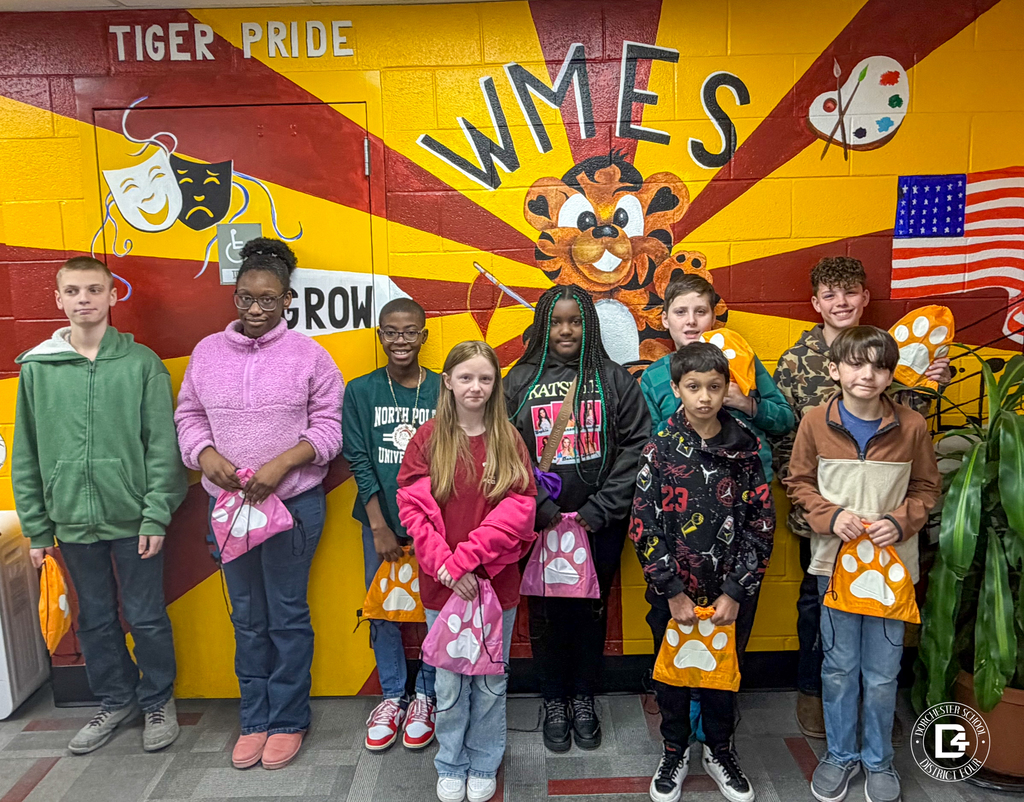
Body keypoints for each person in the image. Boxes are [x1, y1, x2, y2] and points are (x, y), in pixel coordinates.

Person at [174, 238, 344, 771]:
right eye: (245, 297)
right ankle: (255, 717)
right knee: (246, 616)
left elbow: (330, 428)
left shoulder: (310, 356)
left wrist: (284, 463)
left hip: (292, 506)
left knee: (287, 616)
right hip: (228, 511)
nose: (254, 309)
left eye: (267, 300)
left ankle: (289, 718)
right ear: (235, 295)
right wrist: (203, 454)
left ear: (287, 300)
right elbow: (189, 414)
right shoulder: (206, 352)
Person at [13, 256, 187, 755]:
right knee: (92, 617)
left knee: (146, 614)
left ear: (114, 296)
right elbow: (25, 452)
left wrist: (156, 513)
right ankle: (116, 699)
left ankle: (157, 700)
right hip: (69, 519)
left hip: (134, 519)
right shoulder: (38, 368)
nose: (83, 299)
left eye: (94, 290)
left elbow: (162, 447)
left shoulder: (141, 365)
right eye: (73, 291)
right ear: (58, 299)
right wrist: (37, 529)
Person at [771, 256, 951, 739]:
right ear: (816, 303)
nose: (841, 302)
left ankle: (875, 698)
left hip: (887, 508)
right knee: (818, 603)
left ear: (864, 297)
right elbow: (785, 435)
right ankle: (815, 693)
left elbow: (909, 427)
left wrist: (931, 382)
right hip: (823, 510)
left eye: (850, 292)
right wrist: (814, 507)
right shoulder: (795, 360)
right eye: (830, 295)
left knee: (882, 602)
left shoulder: (889, 352)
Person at [784, 326, 941, 802]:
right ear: (835, 369)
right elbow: (798, 482)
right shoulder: (814, 421)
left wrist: (902, 520)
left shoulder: (912, 425)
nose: (867, 374)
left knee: (881, 672)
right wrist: (831, 516)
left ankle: (878, 760)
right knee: (838, 667)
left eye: (878, 366)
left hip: (892, 577)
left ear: (891, 374)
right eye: (856, 363)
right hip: (835, 569)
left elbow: (927, 489)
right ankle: (840, 755)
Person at [505, 285, 651, 753]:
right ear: (542, 326)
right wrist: (539, 507)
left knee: (592, 610)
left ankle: (584, 697)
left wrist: (599, 509)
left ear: (590, 325)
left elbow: (637, 444)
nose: (566, 330)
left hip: (598, 525)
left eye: (576, 321)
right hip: (538, 523)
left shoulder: (613, 379)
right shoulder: (519, 380)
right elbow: (501, 448)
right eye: (557, 321)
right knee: (544, 614)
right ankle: (553, 699)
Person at [631, 342, 775, 802]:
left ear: (727, 388)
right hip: (674, 594)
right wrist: (671, 590)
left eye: (714, 387)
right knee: (672, 675)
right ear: (676, 389)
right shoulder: (659, 449)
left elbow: (760, 524)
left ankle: (719, 749)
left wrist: (736, 590)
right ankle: (674, 749)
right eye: (693, 387)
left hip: (729, 593)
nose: (705, 397)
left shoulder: (745, 449)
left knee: (722, 676)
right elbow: (643, 524)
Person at [397, 341, 536, 802]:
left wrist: (467, 562)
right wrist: (446, 567)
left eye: (485, 378)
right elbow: (414, 512)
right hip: (443, 588)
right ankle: (451, 760)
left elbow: (518, 513)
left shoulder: (508, 438)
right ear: (448, 382)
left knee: (492, 681)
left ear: (495, 385)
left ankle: (484, 758)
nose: (475, 387)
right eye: (466, 377)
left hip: (495, 585)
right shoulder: (427, 439)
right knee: (449, 681)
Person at [342, 298, 441, 751]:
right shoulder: (360, 391)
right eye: (390, 331)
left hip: (434, 525)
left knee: (436, 609)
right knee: (383, 610)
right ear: (379, 336)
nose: (400, 340)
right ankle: (392, 695)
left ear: (423, 335)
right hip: (380, 522)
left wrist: (432, 526)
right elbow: (360, 460)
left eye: (409, 331)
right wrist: (380, 525)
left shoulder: (444, 389)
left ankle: (428, 694)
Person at [640, 274, 794, 482]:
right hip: (684, 488)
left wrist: (747, 404)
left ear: (713, 318)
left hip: (749, 485)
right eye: (680, 312)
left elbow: (785, 421)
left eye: (701, 312)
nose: (691, 321)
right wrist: (685, 412)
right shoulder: (654, 376)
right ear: (665, 320)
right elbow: (648, 444)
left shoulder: (742, 358)